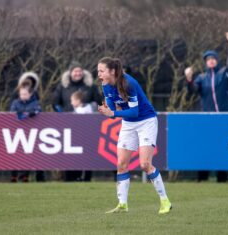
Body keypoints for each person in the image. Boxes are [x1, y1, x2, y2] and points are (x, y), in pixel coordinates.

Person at [97, 57, 171, 214]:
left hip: (146, 121)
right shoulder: (105, 85)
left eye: (101, 71)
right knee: (121, 164)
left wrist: (113, 113)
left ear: (112, 71)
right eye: (98, 71)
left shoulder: (128, 83)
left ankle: (165, 201)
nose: (99, 74)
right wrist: (107, 111)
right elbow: (112, 110)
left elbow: (134, 111)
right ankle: (122, 205)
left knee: (145, 164)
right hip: (128, 123)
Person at [185, 32, 228, 182]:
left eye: (213, 58)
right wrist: (189, 79)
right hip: (208, 119)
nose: (211, 61)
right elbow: (193, 91)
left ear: (217, 61)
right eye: (208, 59)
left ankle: (222, 178)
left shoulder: (225, 73)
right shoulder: (202, 78)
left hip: (225, 117)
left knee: (223, 148)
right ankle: (202, 178)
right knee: (205, 148)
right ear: (205, 62)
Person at [53, 61, 102, 181]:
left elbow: (99, 102)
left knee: (87, 152)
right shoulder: (62, 86)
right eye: (75, 71)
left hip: (87, 127)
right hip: (68, 126)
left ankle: (86, 178)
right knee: (70, 152)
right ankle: (69, 178)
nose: (77, 73)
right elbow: (55, 103)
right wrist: (63, 114)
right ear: (70, 72)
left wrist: (88, 108)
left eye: (79, 71)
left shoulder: (91, 86)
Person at [10, 72, 45, 183]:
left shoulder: (35, 102)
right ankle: (14, 176)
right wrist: (23, 114)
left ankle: (25, 176)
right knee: (15, 154)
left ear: (30, 94)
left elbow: (37, 111)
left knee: (30, 155)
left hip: (32, 132)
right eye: (22, 94)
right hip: (17, 132)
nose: (23, 96)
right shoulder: (15, 102)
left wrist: (28, 114)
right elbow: (12, 112)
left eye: (25, 94)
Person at [70, 90, 93, 181]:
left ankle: (82, 177)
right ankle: (83, 177)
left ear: (78, 100)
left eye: (72, 100)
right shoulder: (88, 108)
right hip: (86, 139)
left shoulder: (81, 111)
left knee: (83, 159)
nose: (71, 103)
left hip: (83, 139)